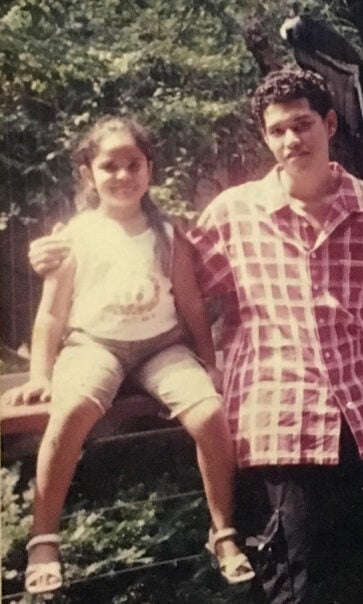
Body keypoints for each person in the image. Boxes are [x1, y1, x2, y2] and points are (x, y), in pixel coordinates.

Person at [27, 69, 363, 603]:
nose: (291, 140)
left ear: (329, 124)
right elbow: (167, 286)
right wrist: (53, 261)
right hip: (281, 426)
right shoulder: (233, 213)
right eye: (277, 131)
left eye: (302, 125)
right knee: (302, 589)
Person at [7, 117, 254, 596]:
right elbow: (51, 317)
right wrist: (41, 373)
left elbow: (191, 304)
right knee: (72, 408)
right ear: (87, 174)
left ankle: (222, 531)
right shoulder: (74, 235)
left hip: (162, 347)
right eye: (109, 166)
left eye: (133, 164)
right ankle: (44, 538)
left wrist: (209, 362)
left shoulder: (167, 233)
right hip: (94, 344)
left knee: (209, 413)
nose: (122, 175)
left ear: (150, 168)